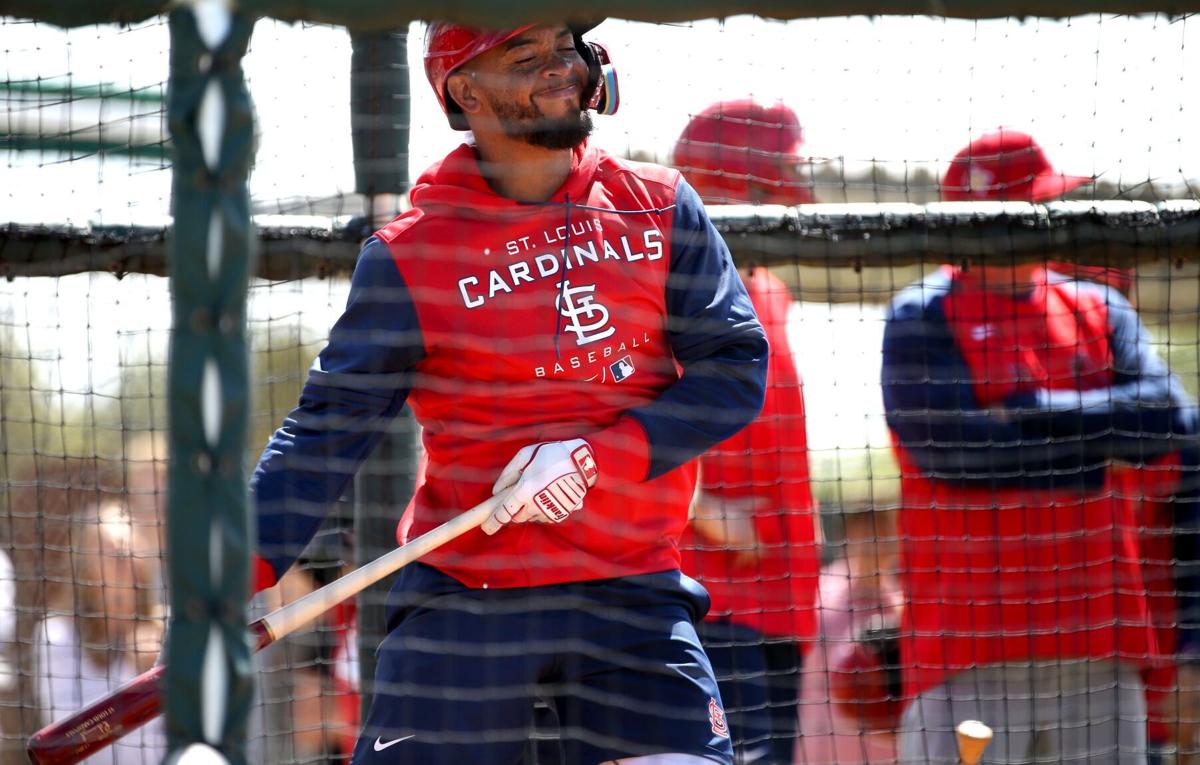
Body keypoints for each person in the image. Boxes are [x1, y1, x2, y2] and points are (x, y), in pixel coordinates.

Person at [249, 21, 768, 765]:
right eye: (527, 57)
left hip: (631, 591)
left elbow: (735, 369)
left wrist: (595, 456)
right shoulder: (411, 252)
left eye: (567, 49)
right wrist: (226, 585)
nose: (561, 70)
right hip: (465, 594)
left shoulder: (659, 206)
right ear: (465, 90)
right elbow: (324, 432)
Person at [881, 127, 1200, 763]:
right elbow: (954, 455)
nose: (1047, 220)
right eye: (1030, 208)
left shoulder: (1098, 306)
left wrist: (1026, 413)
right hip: (967, 645)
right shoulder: (921, 315)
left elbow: (1168, 420)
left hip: (1100, 639)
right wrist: (1095, 451)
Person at [671, 99, 820, 764]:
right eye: (771, 185)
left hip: (781, 606)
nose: (790, 199)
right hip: (710, 605)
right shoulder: (669, 290)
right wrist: (699, 507)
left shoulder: (769, 285)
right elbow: (604, 409)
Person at [33, 502, 167, 765]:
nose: (123, 557)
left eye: (127, 548)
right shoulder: (56, 636)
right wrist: (133, 674)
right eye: (111, 552)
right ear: (85, 566)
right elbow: (73, 742)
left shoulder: (169, 629)